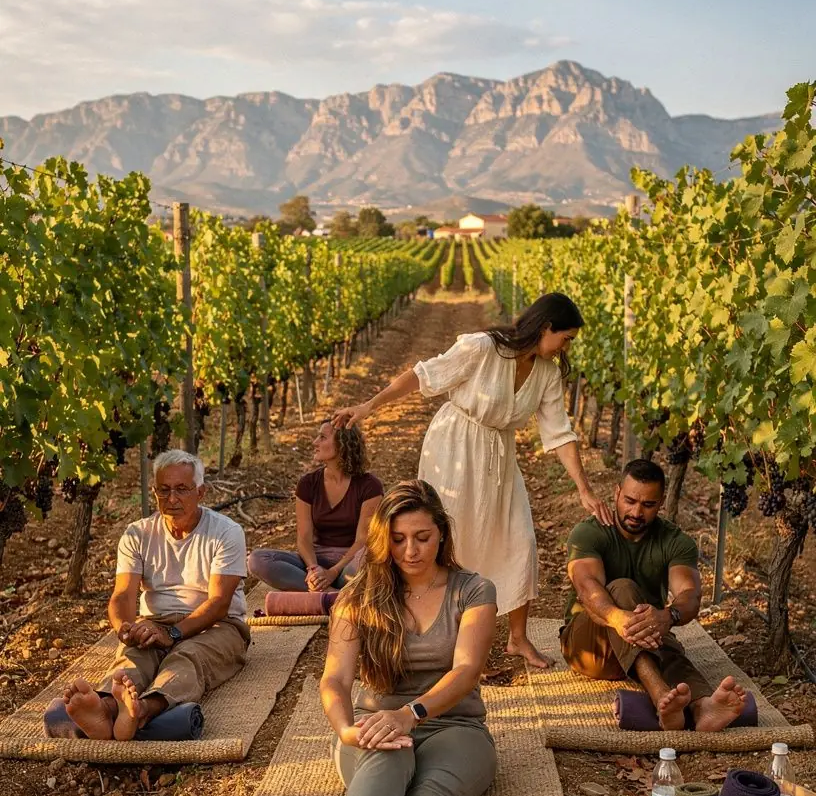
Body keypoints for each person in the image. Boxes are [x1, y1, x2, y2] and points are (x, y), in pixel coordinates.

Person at [333, 294, 612, 669]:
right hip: (455, 446)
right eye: (567, 337)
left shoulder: (546, 373)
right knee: (450, 538)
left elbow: (559, 432)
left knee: (521, 540)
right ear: (546, 327)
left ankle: (517, 638)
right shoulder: (483, 348)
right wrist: (369, 406)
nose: (568, 346)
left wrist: (583, 488)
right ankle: (437, 636)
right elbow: (423, 374)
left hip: (499, 455)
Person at [320, 479, 497, 796]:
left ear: (442, 533)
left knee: (429, 794)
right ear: (384, 540)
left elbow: (466, 670)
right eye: (398, 540)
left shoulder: (473, 590)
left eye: (422, 537)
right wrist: (348, 732)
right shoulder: (358, 597)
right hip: (375, 723)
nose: (411, 550)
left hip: (455, 725)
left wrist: (411, 713)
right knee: (387, 755)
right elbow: (335, 681)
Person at [62, 450, 250, 741]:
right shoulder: (137, 534)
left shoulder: (226, 532)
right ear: (154, 492)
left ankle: (143, 709)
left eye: (182, 489)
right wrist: (124, 627)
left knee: (188, 657)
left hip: (218, 626)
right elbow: (123, 594)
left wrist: (173, 633)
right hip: (155, 621)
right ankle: (107, 707)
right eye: (164, 490)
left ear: (201, 492)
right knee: (133, 659)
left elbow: (219, 603)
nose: (172, 499)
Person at [561, 458, 747, 731]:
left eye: (648, 505)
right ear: (616, 494)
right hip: (591, 648)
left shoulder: (675, 541)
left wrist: (667, 615)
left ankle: (703, 707)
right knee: (623, 588)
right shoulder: (588, 533)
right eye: (630, 501)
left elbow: (690, 595)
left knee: (668, 645)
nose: (636, 511)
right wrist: (617, 618)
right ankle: (660, 695)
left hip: (647, 637)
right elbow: (588, 589)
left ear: (661, 504)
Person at [248, 421, 383, 593]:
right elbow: (304, 538)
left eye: (323, 437)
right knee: (257, 560)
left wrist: (333, 572)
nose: (315, 443)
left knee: (369, 559)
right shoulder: (308, 483)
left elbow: (362, 540)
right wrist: (313, 569)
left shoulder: (370, 485)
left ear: (342, 444)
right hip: (316, 560)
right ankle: (333, 594)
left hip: (351, 563)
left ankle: (322, 592)